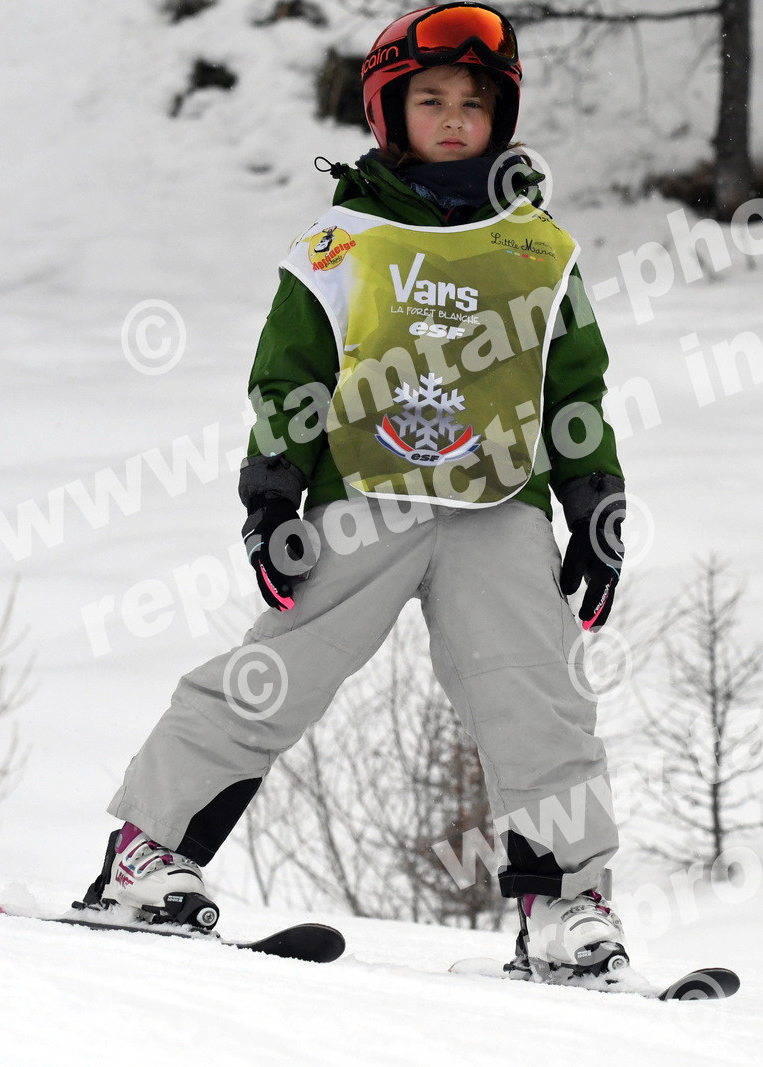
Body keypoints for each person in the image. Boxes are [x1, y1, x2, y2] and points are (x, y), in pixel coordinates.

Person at [80, 3, 634, 981]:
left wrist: (594, 500)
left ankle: (565, 907)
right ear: (390, 110)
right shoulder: (343, 242)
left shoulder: (543, 250)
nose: (454, 118)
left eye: (474, 102)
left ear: (501, 117)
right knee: (274, 675)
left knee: (540, 700)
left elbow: (574, 388)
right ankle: (145, 855)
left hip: (501, 508)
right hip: (364, 495)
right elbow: (290, 377)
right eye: (432, 99)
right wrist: (271, 495)